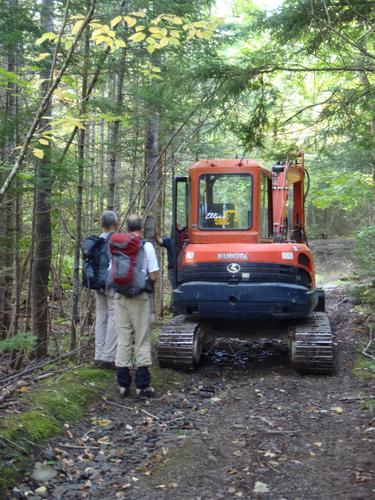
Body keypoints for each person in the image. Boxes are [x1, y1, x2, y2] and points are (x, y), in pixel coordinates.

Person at [115, 214, 159, 398]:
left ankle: (123, 385)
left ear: (127, 228)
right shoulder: (145, 245)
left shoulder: (118, 244)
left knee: (123, 337)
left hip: (120, 295)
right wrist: (146, 286)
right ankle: (142, 385)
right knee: (141, 337)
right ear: (141, 229)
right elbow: (154, 274)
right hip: (139, 297)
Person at [94, 210, 119, 369]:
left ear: (101, 225)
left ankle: (98, 355)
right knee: (113, 316)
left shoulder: (96, 241)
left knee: (101, 316)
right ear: (115, 224)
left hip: (97, 283)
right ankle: (108, 357)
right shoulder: (116, 240)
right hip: (111, 282)